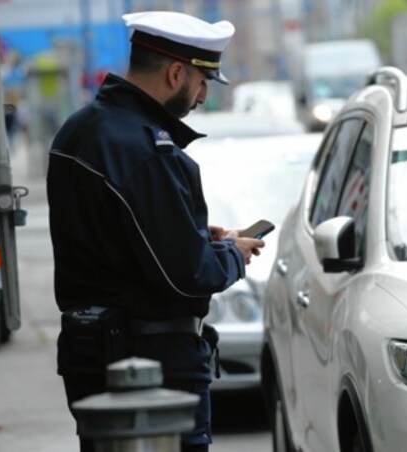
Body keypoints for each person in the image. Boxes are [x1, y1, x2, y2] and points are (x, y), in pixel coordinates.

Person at [47, 11, 265, 452]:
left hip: (93, 354)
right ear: (175, 73)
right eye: (203, 82)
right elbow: (187, 274)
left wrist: (195, 234)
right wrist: (232, 255)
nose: (203, 96)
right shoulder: (148, 150)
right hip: (151, 362)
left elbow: (111, 238)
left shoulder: (78, 129)